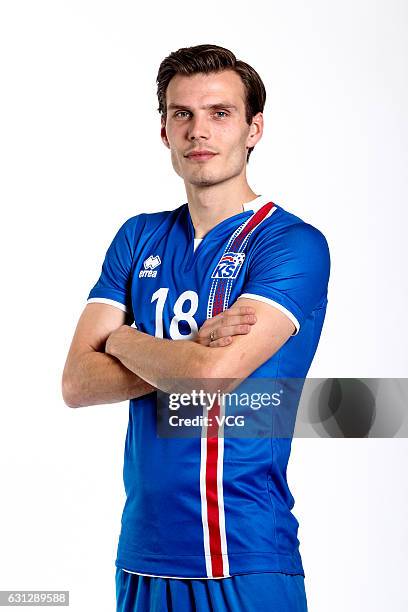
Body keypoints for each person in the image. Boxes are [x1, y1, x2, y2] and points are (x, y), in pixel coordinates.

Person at [62, 44, 330, 611]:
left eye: (220, 113)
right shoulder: (137, 237)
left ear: (254, 128)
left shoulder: (292, 244)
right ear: (163, 130)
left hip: (243, 554)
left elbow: (210, 380)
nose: (197, 130)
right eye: (181, 114)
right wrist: (183, 352)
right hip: (141, 553)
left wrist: (122, 339)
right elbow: (77, 384)